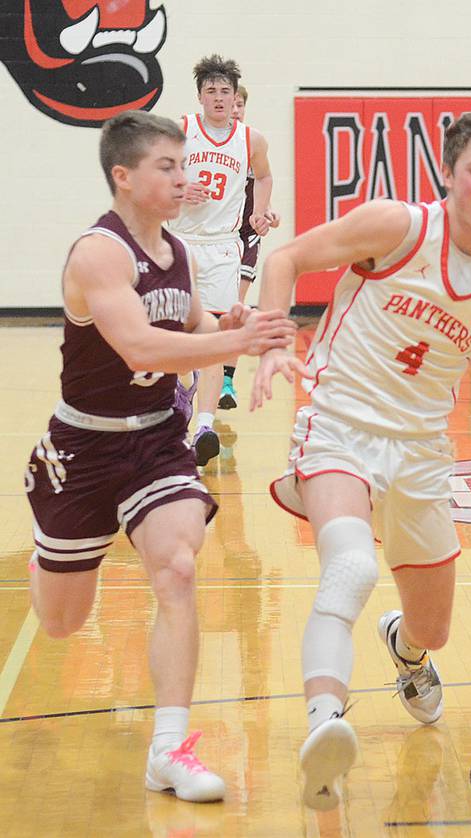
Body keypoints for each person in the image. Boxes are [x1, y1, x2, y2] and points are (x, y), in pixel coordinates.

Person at [250, 106, 471, 809]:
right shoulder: (396, 227)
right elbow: (285, 258)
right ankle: (325, 724)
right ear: (450, 173)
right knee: (349, 565)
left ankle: (405, 650)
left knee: (434, 626)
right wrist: (276, 336)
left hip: (422, 453)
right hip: (339, 425)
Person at [23, 110, 295, 802]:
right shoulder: (99, 253)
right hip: (83, 446)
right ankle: (47, 560)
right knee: (61, 622)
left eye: (185, 164)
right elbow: (142, 346)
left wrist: (233, 323)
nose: (186, 176)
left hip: (152, 441)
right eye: (168, 167)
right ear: (124, 176)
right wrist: (237, 347)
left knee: (177, 569)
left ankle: (169, 748)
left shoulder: (174, 249)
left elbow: (191, 322)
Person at [170, 55, 278, 463]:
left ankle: (204, 428)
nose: (218, 97)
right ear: (200, 96)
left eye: (225, 91)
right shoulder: (181, 130)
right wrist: (180, 187)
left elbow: (264, 176)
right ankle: (183, 390)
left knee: (212, 339)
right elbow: (156, 171)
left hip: (222, 247)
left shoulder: (252, 139)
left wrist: (259, 210)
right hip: (179, 241)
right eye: (211, 91)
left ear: (235, 97)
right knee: (179, 338)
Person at [216, 83, 282, 411]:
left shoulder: (250, 145)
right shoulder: (209, 145)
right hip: (210, 238)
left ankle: (226, 380)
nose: (236, 109)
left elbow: (263, 194)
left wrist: (267, 214)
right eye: (232, 103)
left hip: (243, 238)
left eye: (240, 103)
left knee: (234, 307)